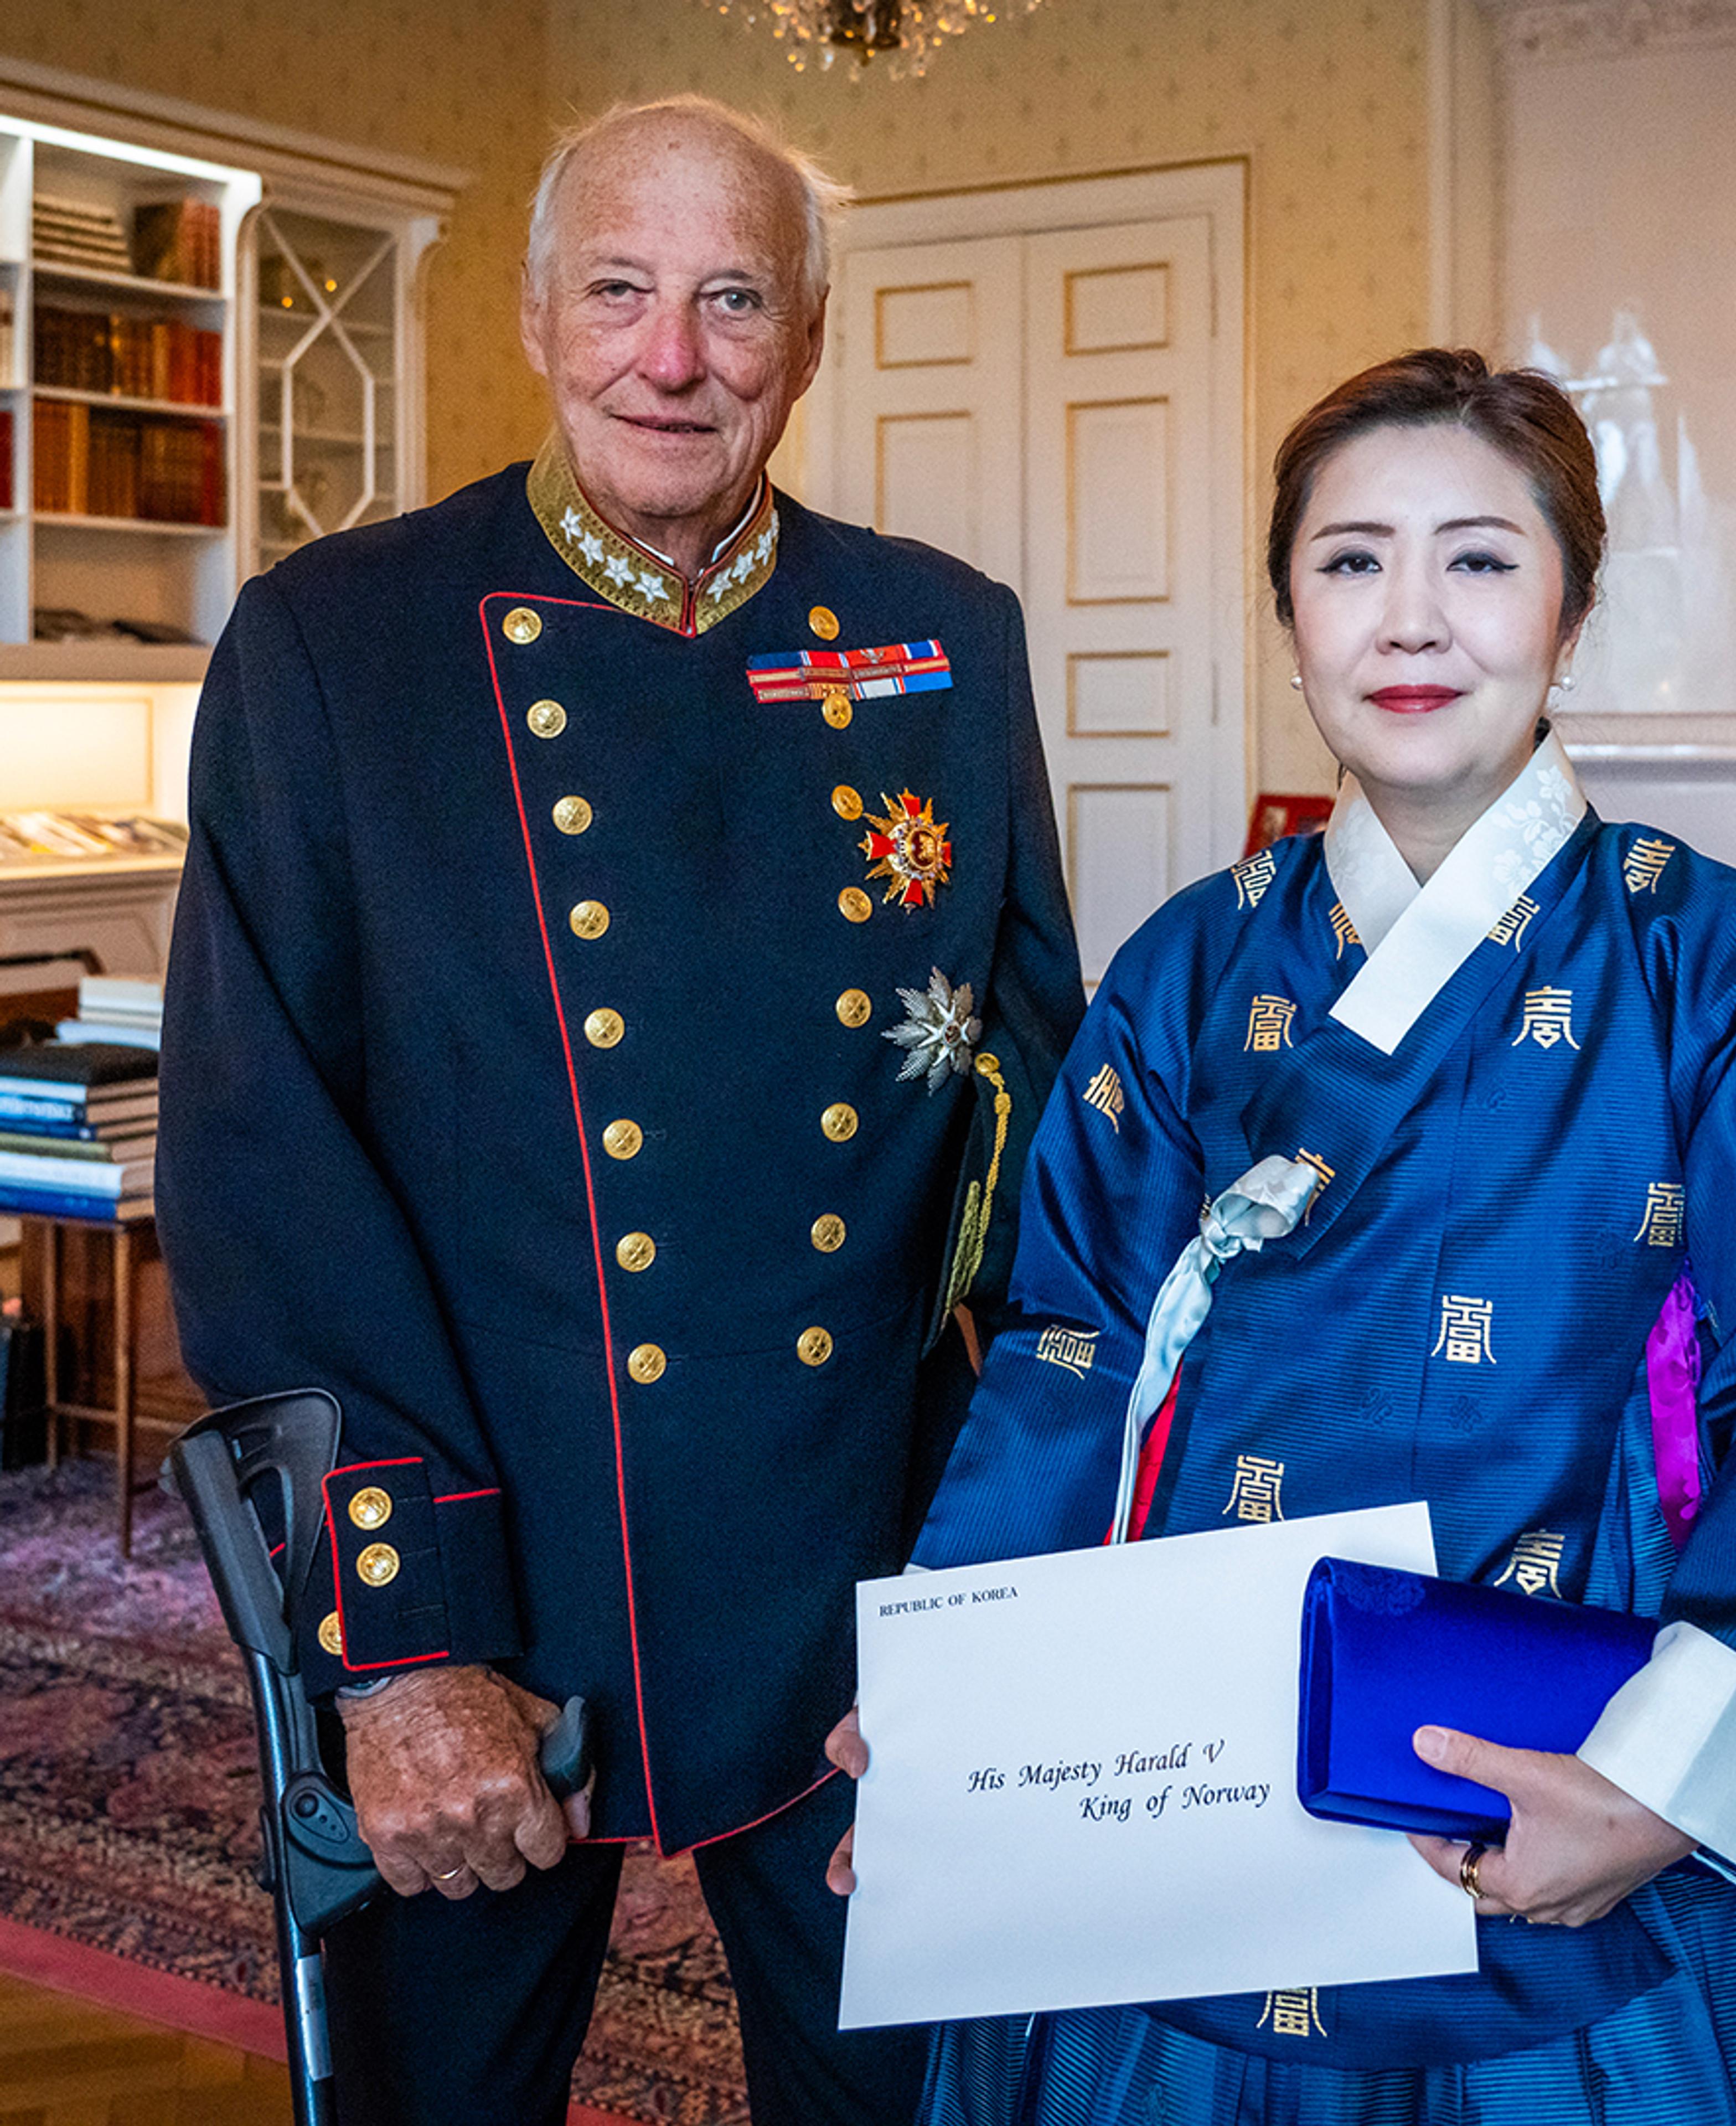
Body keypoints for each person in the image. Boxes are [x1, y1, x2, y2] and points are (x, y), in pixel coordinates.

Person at [830, 349, 1736, 2124]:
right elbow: (1072, 1354)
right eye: (1350, 563)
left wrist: (1657, 1786)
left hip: (1607, 1692)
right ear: (1288, 615)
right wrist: (960, 1694)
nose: (1412, 617)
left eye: (1479, 560)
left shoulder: (1712, 964)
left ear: (1569, 611)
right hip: (1218, 1745)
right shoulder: (1188, 968)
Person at [156, 93, 1082, 2126]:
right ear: (535, 313)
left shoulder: (947, 641)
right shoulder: (336, 646)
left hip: (854, 1574)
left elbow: (1033, 1154)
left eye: (734, 297)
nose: (673, 356)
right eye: (621, 291)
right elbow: (263, 1173)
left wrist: (1010, 1591)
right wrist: (402, 1650)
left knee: (920, 2102)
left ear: (808, 341)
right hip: (490, 1579)